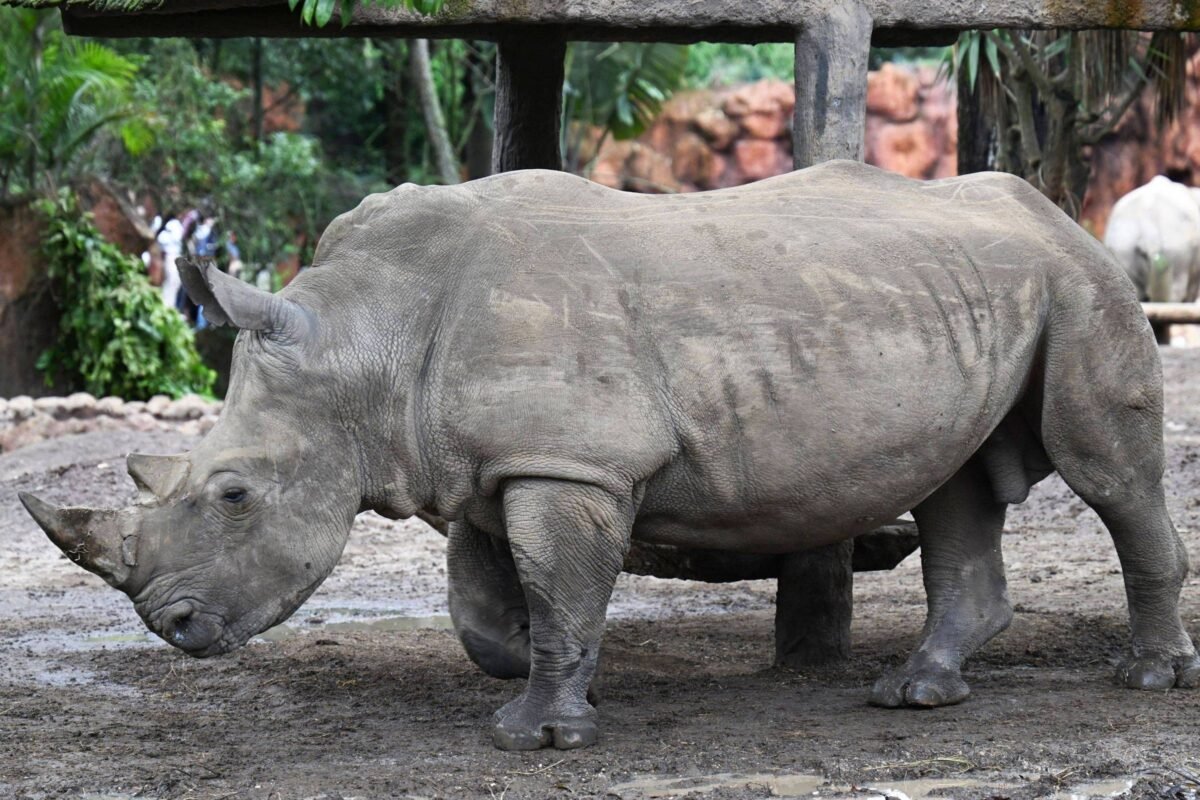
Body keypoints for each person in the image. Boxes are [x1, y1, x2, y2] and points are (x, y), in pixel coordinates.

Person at [155, 214, 184, 309]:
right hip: (170, 256)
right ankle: (166, 306)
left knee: (175, 283)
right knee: (171, 282)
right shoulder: (172, 226)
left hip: (175, 256)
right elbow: (163, 239)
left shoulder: (174, 227)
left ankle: (169, 306)